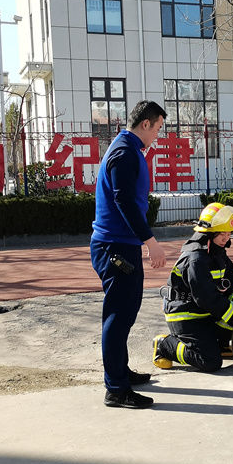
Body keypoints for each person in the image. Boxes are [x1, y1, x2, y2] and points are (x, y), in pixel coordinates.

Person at [90, 100, 168, 409]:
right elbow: (123, 201)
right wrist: (150, 241)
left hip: (120, 244)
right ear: (145, 124)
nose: (158, 136)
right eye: (158, 128)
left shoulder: (126, 148)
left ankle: (120, 373)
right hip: (115, 247)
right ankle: (116, 390)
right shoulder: (124, 153)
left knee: (125, 312)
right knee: (118, 316)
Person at [153, 203, 233, 372]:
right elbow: (207, 298)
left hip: (204, 313)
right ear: (209, 233)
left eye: (229, 233)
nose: (226, 238)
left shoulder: (216, 252)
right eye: (222, 234)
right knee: (209, 361)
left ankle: (219, 345)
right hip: (186, 316)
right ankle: (165, 346)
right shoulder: (195, 259)